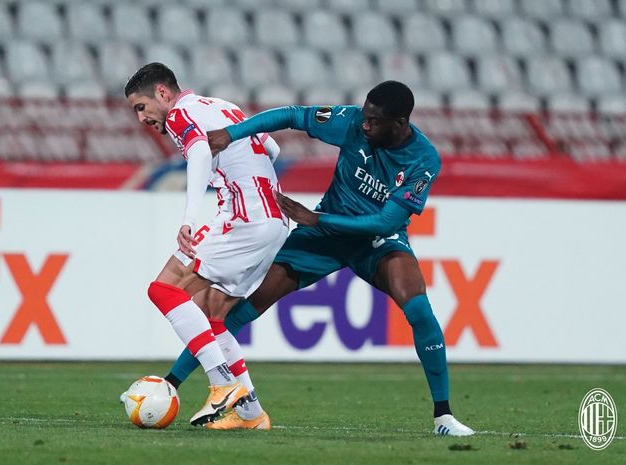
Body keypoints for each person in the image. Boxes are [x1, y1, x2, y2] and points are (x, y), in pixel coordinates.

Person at [164, 80, 475, 436]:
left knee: (419, 310)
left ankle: (444, 417)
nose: (365, 125)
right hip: (324, 238)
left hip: (375, 239)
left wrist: (315, 219)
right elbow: (292, 115)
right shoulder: (352, 121)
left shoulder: (423, 159)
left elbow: (388, 220)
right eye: (365, 116)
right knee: (239, 310)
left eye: (375, 120)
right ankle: (175, 383)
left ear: (400, 123)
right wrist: (232, 134)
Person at [123, 62, 288, 430]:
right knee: (212, 312)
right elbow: (272, 148)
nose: (141, 119)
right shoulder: (221, 106)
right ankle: (251, 415)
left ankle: (222, 384)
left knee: (164, 290)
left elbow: (198, 152)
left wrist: (189, 216)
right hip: (272, 220)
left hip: (246, 218)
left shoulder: (180, 113)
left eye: (141, 107)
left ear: (162, 94)